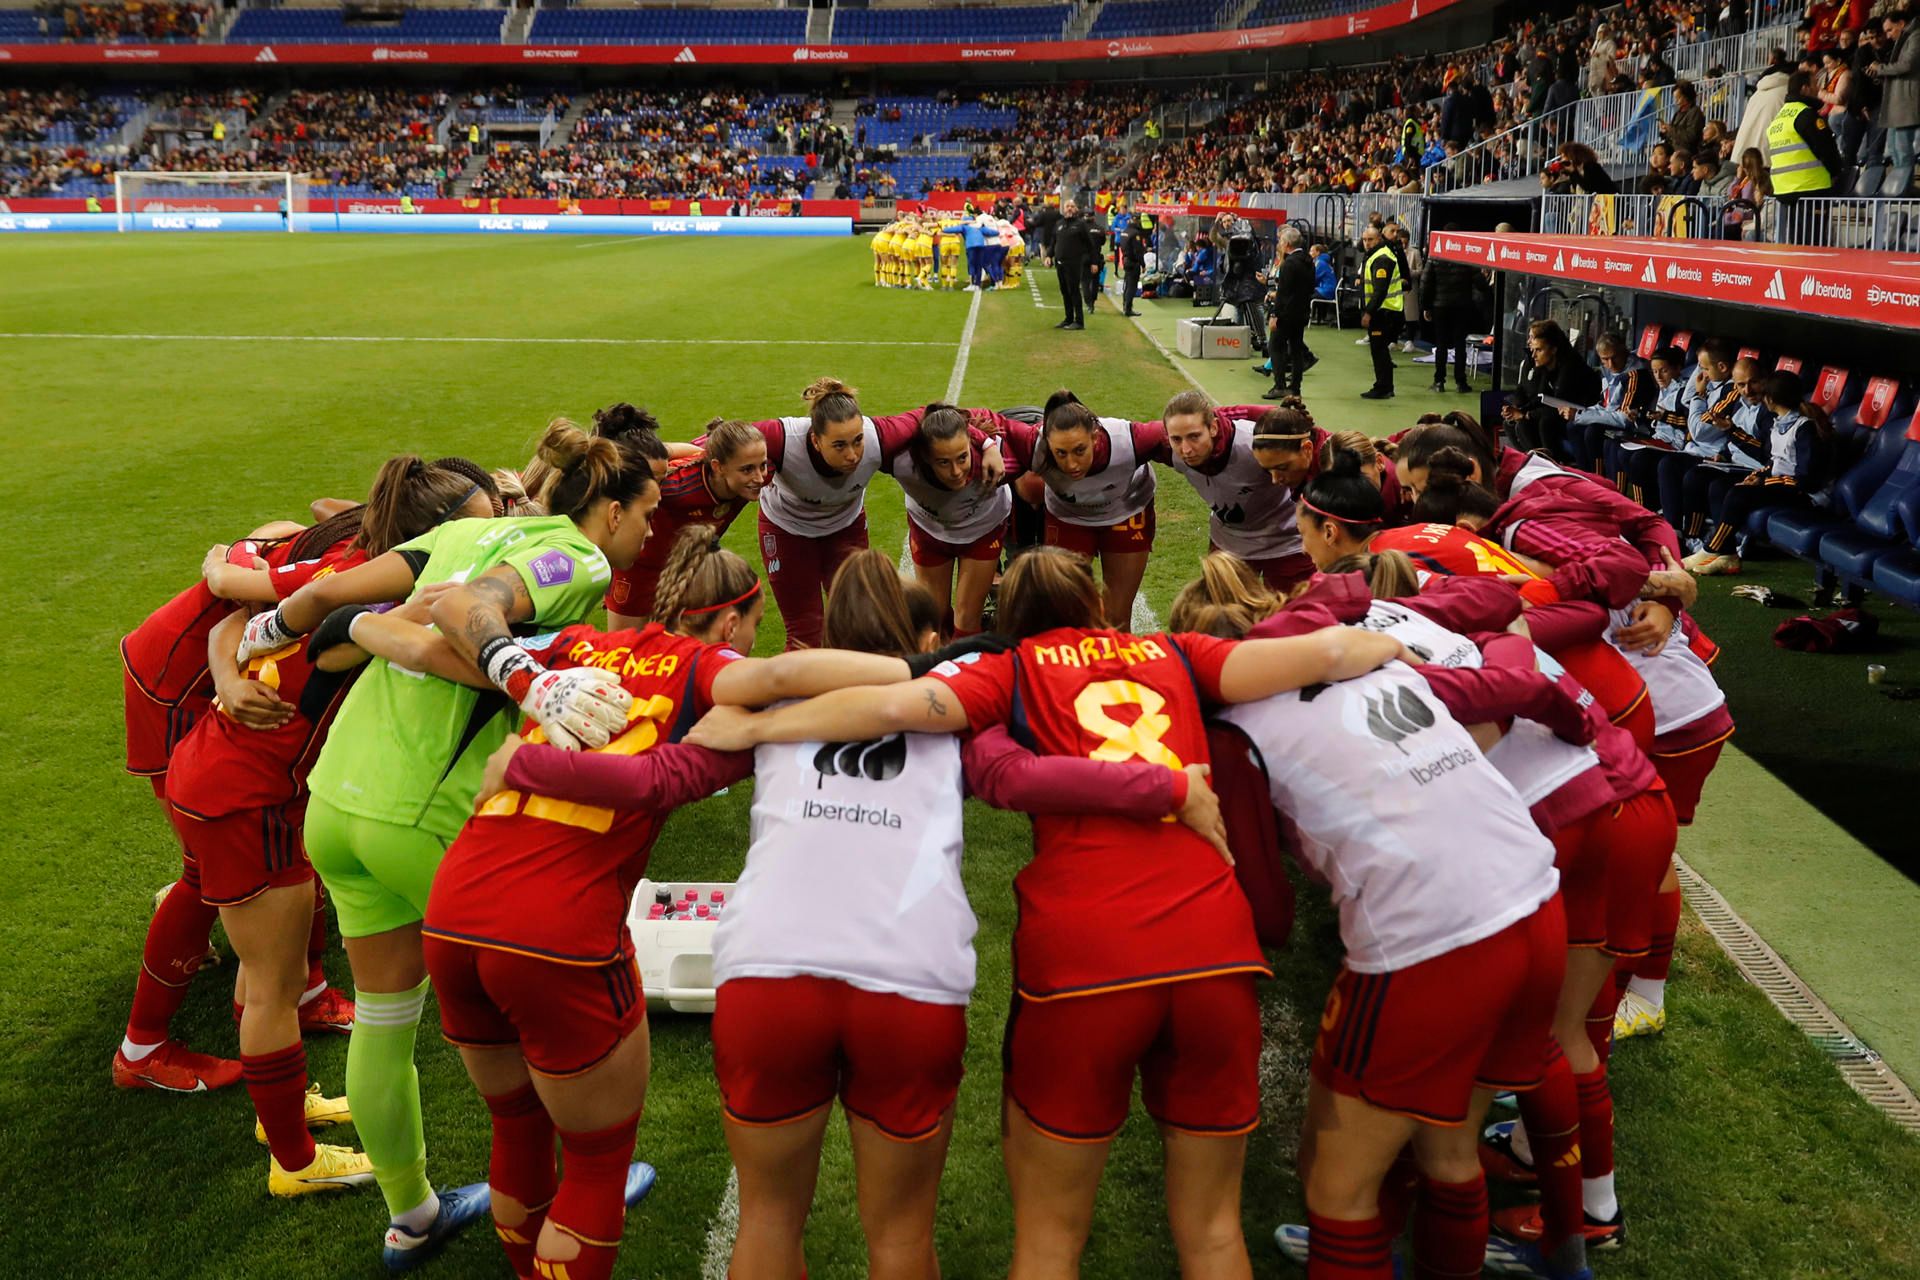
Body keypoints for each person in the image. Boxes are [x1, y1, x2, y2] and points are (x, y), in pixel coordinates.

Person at [685, 547, 1410, 1280]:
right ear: (1095, 603)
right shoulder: (1176, 651)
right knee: (1216, 1230)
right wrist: (1406, 645)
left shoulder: (1009, 670)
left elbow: (950, 737)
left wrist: (754, 729)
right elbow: (1333, 650)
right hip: (1211, 947)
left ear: (1015, 624)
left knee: (1044, 1241)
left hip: (1078, 959)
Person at [233, 420, 664, 1269]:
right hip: (425, 815)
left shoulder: (461, 528)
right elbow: (480, 610)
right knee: (564, 990)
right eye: (647, 513)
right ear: (609, 512)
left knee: (386, 1017)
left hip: (337, 804)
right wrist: (528, 676)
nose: (652, 530)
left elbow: (327, 600)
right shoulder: (580, 559)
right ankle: (586, 1186)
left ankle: (414, 1216)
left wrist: (268, 632)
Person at [1163, 553, 1569, 1280]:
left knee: (1335, 1184)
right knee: (1446, 1146)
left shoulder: (1232, 726)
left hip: (1431, 937)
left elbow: (1267, 909)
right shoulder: (1370, 658)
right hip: (1535, 895)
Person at [745, 379, 1001, 650]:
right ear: (815, 441)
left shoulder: (879, 435)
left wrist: (986, 444)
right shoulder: (782, 437)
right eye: (840, 445)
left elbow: (936, 413)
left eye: (857, 441)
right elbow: (729, 439)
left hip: (845, 528)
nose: (853, 455)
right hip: (787, 531)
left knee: (859, 623)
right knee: (805, 632)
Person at [1000, 391, 1159, 627]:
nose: (1072, 464)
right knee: (1064, 611)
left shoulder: (1129, 438)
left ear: (1095, 437)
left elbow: (1189, 425)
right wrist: (981, 444)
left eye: (1079, 450)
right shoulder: (1035, 444)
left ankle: (1117, 663)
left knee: (1117, 615)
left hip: (1126, 510)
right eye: (1061, 453)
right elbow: (979, 422)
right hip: (1069, 515)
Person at [605, 420, 768, 628]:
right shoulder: (674, 488)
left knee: (683, 648)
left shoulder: (751, 469)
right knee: (624, 650)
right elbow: (632, 464)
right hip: (638, 568)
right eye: (747, 470)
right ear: (718, 467)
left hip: (687, 567)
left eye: (761, 466)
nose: (759, 477)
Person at [1160, 391, 1315, 590]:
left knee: (1298, 616)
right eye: (1176, 439)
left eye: (1194, 436)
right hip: (1229, 545)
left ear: (1213, 427)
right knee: (1221, 617)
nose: (1186, 449)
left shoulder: (1256, 440)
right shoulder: (1163, 447)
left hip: (1288, 543)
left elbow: (1310, 447)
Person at [1685, 372, 1835, 575]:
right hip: (1782, 485)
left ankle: (1711, 548)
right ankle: (1728, 555)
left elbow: (1806, 479)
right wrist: (1761, 476)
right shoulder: (1779, 422)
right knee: (1719, 486)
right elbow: (1773, 459)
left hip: (1803, 494)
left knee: (1739, 494)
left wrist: (1765, 482)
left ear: (1770, 399)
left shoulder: (1804, 428)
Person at [889, 405, 1012, 636]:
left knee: (967, 619)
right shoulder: (899, 458)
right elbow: (929, 412)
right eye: (943, 462)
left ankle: (966, 670)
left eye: (962, 458)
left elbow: (1039, 442)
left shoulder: (1005, 452)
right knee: (934, 616)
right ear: (925, 457)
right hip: (929, 532)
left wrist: (988, 444)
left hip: (983, 530)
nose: (956, 472)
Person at [1503, 320, 1602, 458]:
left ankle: (1550, 464)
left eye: (1539, 350)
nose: (1533, 354)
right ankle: (1534, 461)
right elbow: (1541, 397)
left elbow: (1559, 404)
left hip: (1581, 413)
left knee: (1544, 422)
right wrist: (1520, 410)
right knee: (1517, 423)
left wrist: (1526, 414)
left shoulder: (1570, 367)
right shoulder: (1545, 365)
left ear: (1553, 349)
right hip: (1560, 411)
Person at [1767, 70, 1844, 239]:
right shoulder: (1806, 115)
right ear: (1804, 88)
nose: (1819, 88)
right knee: (1813, 243)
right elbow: (1826, 149)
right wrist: (1837, 172)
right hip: (1810, 188)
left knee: (1796, 242)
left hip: (1784, 190)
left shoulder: (1778, 119)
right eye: (1815, 84)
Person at [1420, 225, 1479, 394]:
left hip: (1440, 306)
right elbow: (1480, 282)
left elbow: (1425, 283)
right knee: (1460, 344)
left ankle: (1439, 381)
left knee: (1441, 344)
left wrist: (1426, 306)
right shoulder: (1466, 256)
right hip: (1462, 306)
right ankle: (1461, 382)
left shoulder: (1435, 256)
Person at [1865, 8, 1917, 197]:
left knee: (1903, 150)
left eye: (1889, 30)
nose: (1887, 35)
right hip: (1897, 105)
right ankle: (1900, 188)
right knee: (1895, 150)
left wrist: (1882, 68)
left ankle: (1905, 188)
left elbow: (1908, 65)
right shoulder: (1904, 39)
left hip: (1906, 104)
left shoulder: (1915, 37)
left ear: (1901, 24)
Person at [1265, 225, 1315, 399]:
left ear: (1286, 243)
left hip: (1286, 314)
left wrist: (1274, 315)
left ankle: (1280, 385)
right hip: (1301, 313)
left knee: (1275, 347)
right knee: (1296, 350)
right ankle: (1295, 387)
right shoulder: (1308, 261)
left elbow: (1284, 294)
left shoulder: (1289, 264)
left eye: (1280, 241)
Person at [1358, 224, 1406, 400]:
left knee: (1379, 351)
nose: (1367, 243)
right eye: (1364, 239)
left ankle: (1384, 387)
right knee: (1378, 350)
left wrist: (1369, 312)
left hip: (1383, 311)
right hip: (1383, 310)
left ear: (1378, 239)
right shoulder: (1374, 255)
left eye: (1370, 239)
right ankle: (1383, 385)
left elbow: (1380, 290)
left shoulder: (1382, 258)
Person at [1052, 201, 1098, 330]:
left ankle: (1079, 321)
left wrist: (1094, 262)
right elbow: (1053, 241)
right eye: (1068, 206)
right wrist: (1049, 256)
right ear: (1064, 209)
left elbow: (1091, 245)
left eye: (1072, 206)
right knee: (1065, 291)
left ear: (1076, 209)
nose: (1070, 209)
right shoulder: (1059, 224)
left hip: (1074, 263)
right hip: (1060, 263)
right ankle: (1068, 318)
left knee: (1074, 291)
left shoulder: (1080, 225)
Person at [1119, 223, 1146, 316]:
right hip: (1133, 262)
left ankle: (1125, 306)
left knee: (1127, 284)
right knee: (1132, 286)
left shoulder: (1124, 232)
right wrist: (1143, 264)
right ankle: (1128, 309)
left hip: (1125, 260)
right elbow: (1138, 250)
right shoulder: (1135, 234)